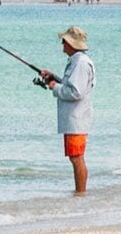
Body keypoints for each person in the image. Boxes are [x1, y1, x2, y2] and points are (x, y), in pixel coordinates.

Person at [33, 27, 93, 195]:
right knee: (76, 158)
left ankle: (81, 194)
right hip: (74, 119)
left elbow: (75, 92)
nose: (62, 44)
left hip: (76, 119)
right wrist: (54, 77)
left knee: (76, 158)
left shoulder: (80, 63)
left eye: (64, 41)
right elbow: (72, 85)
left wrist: (55, 87)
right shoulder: (77, 60)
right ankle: (80, 192)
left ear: (71, 43)